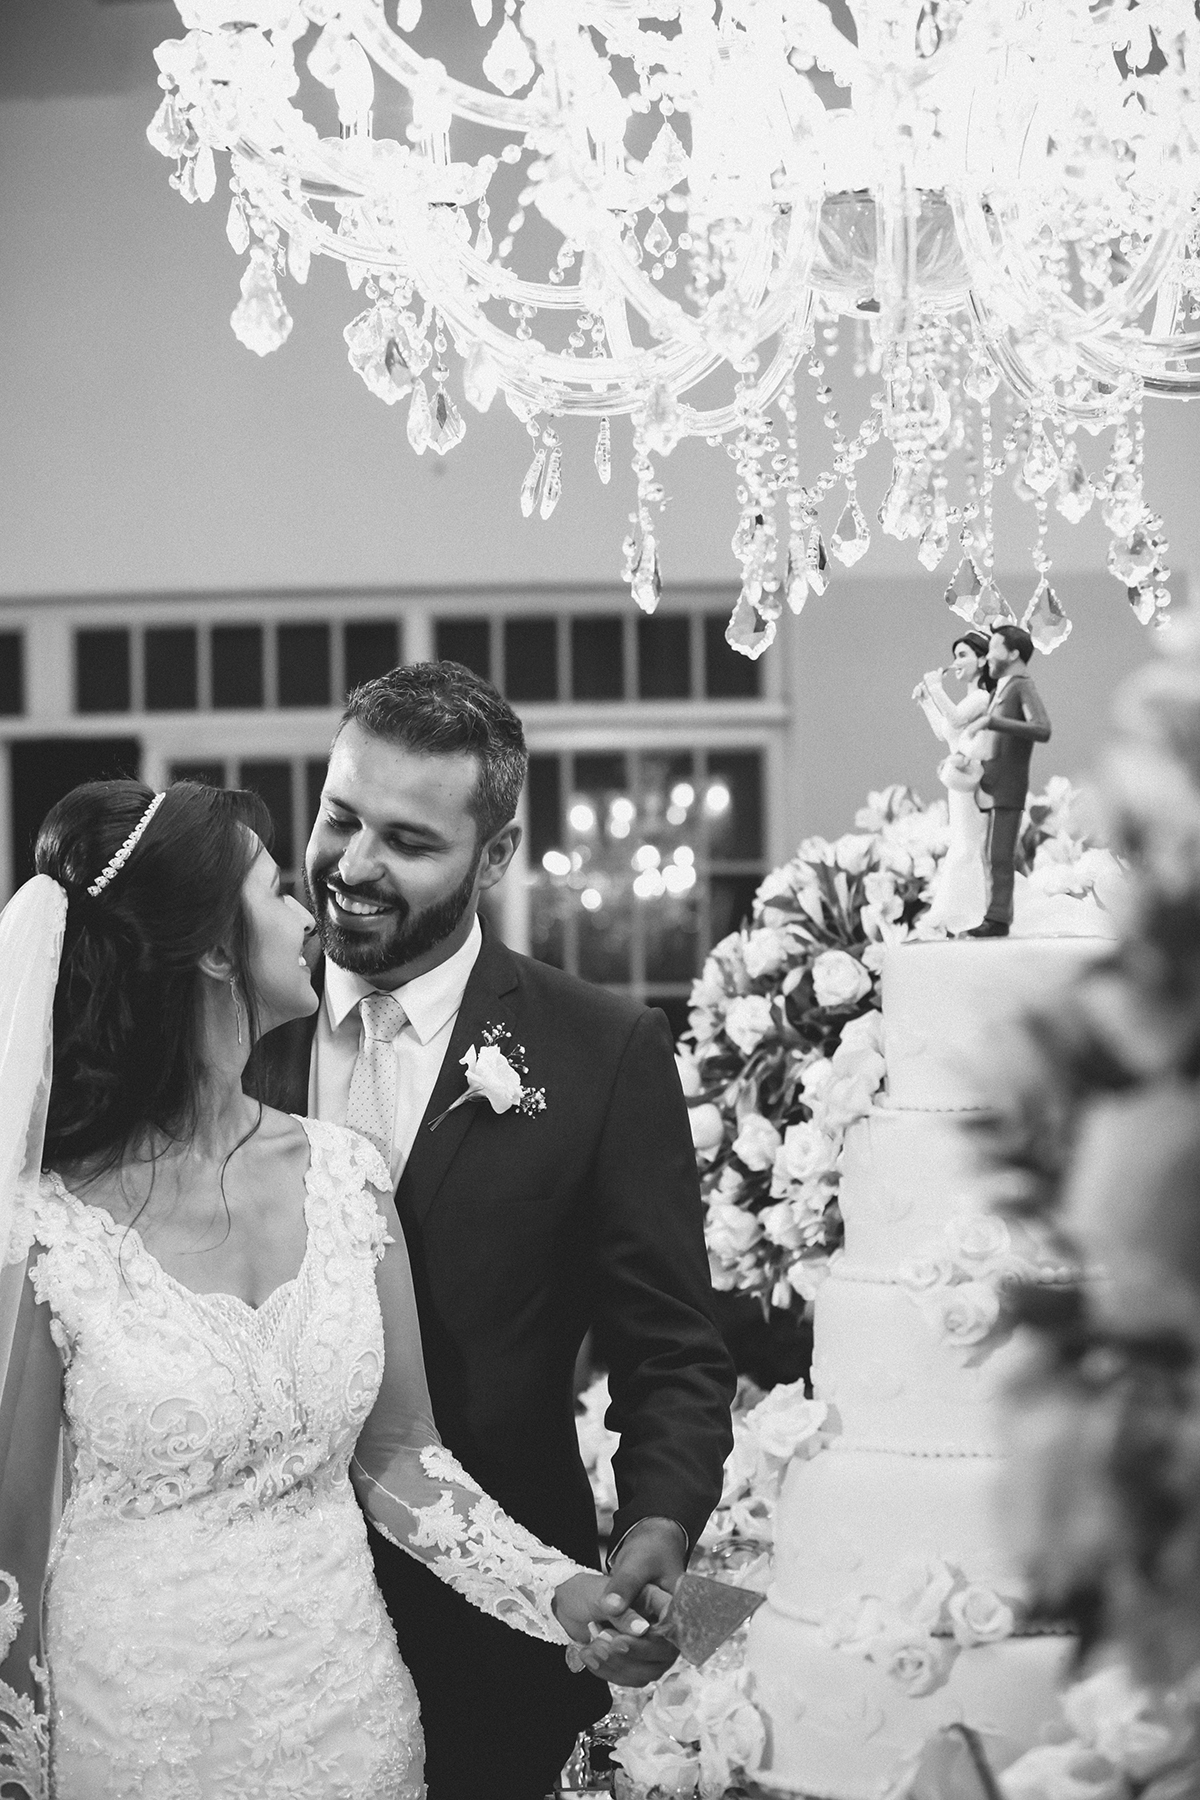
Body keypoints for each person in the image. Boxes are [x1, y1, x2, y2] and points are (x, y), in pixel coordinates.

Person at [0, 778, 646, 1798]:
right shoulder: (48, 1227)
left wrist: (554, 1589)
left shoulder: (346, 1176)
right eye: (273, 889)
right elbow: (8, 1555)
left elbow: (398, 1455)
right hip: (132, 1735)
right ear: (216, 951)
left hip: (349, 1720)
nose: (312, 905)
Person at [247, 661, 737, 1800]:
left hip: (506, 1635)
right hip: (262, 1632)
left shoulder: (601, 1051)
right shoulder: (233, 1018)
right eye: (339, 818)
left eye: (409, 842)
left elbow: (670, 1349)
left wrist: (656, 1528)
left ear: (497, 854)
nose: (352, 867)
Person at [959, 623, 1051, 939]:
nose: (988, 656)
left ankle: (998, 918)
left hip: (1009, 785)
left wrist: (992, 721)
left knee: (999, 854)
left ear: (1013, 654)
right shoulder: (1003, 689)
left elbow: (1042, 729)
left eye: (994, 648)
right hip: (993, 783)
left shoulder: (1022, 687)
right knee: (990, 854)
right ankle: (993, 914)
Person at [912, 630, 996, 934]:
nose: (956, 662)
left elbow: (958, 719)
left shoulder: (981, 698)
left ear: (982, 660)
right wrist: (927, 701)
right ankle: (954, 911)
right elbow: (945, 730)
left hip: (972, 782)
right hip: (957, 782)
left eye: (962, 655)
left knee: (968, 845)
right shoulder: (965, 700)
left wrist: (936, 687)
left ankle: (972, 913)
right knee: (960, 842)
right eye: (955, 656)